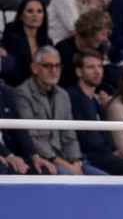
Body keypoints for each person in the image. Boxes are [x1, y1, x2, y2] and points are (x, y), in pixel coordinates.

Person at [13, 46, 107, 175]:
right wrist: (64, 165)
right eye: (48, 66)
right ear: (35, 68)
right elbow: (31, 138)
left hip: (68, 160)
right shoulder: (22, 94)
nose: (54, 70)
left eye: (58, 66)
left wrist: (75, 161)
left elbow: (70, 135)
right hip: (44, 160)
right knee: (68, 178)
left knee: (103, 178)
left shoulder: (63, 95)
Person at [67, 49, 123, 175]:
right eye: (91, 67)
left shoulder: (96, 100)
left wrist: (116, 150)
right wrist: (112, 151)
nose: (97, 71)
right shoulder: (73, 97)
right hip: (89, 155)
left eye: (100, 66)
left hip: (105, 152)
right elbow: (82, 137)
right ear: (79, 72)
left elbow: (106, 134)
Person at [54, 9, 114, 89]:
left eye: (107, 34)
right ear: (89, 32)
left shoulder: (99, 49)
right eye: (102, 34)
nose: (105, 39)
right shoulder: (63, 49)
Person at [0, 0, 49, 87]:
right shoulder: (11, 40)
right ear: (21, 16)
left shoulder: (48, 42)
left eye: (39, 11)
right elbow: (14, 74)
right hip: (18, 88)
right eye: (30, 11)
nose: (35, 15)